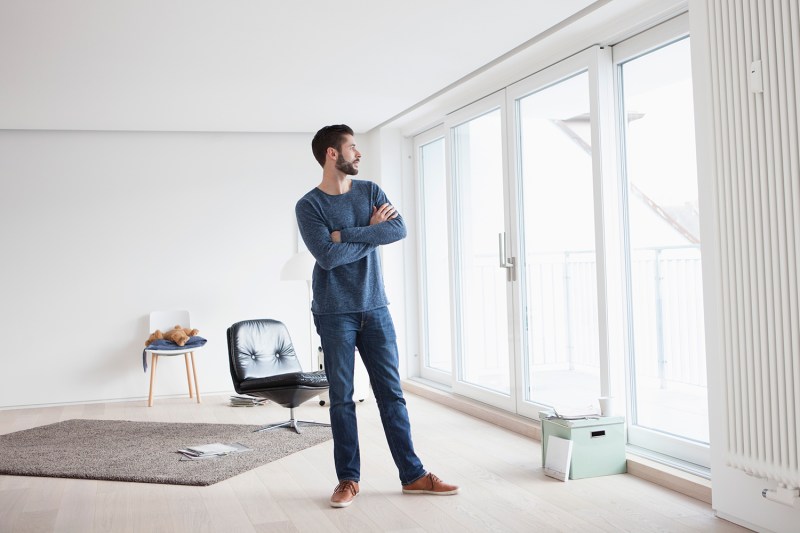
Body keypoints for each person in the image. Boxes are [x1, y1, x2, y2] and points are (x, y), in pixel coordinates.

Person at [295, 124, 459, 508]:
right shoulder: (309, 206)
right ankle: (348, 480)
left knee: (392, 395)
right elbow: (327, 258)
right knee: (342, 399)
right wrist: (368, 231)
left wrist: (345, 234)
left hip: (376, 308)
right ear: (332, 154)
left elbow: (397, 230)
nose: (358, 153)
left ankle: (413, 475)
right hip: (335, 313)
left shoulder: (371, 191)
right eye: (352, 147)